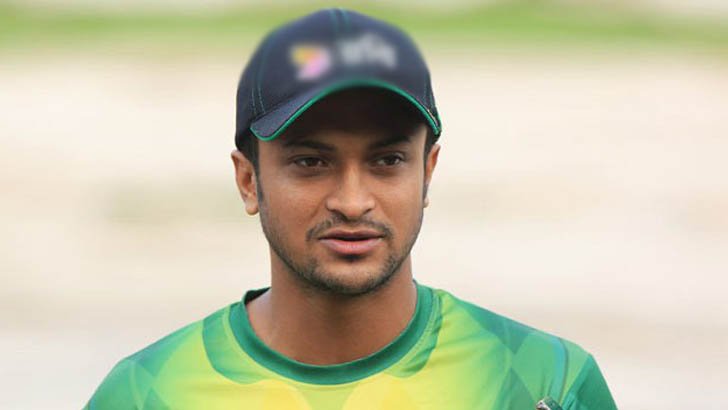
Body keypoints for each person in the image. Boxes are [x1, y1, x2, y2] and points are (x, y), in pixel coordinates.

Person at [85, 8, 617, 410]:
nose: (353, 201)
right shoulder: (148, 394)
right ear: (249, 181)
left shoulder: (543, 384)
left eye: (387, 160)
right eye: (311, 162)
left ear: (427, 172)